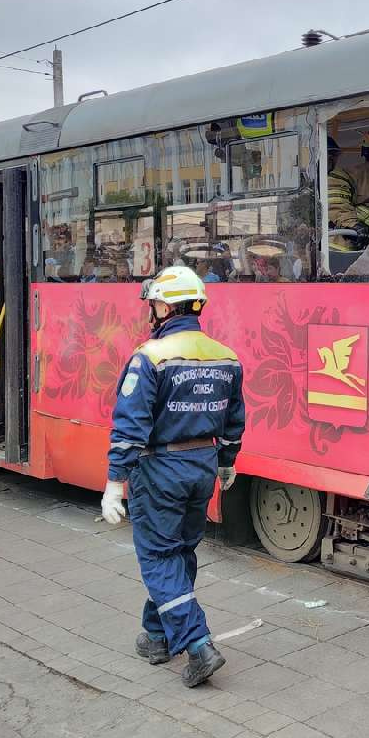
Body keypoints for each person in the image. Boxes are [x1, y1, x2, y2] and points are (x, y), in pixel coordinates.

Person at [101, 266, 245, 687]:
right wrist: (227, 461)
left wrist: (114, 482)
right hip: (203, 467)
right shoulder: (226, 356)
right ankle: (158, 635)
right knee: (179, 552)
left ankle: (198, 643)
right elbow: (235, 420)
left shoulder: (150, 357)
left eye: (154, 304)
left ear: (164, 306)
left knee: (159, 556)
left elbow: (130, 425)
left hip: (160, 469)